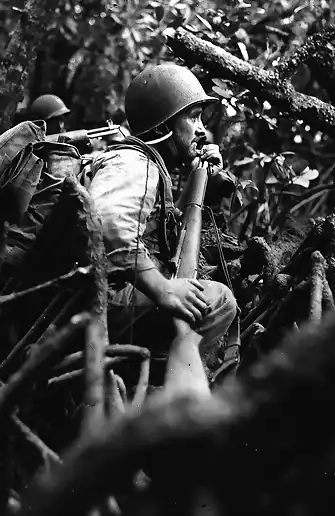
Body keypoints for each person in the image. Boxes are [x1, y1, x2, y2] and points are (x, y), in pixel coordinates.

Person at [87, 64, 238, 398]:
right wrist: (163, 290)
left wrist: (200, 174)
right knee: (218, 300)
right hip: (97, 302)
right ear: (166, 125)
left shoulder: (148, 165)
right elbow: (108, 224)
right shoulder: (134, 163)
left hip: (98, 298)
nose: (201, 130)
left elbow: (167, 225)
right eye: (193, 118)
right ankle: (166, 392)